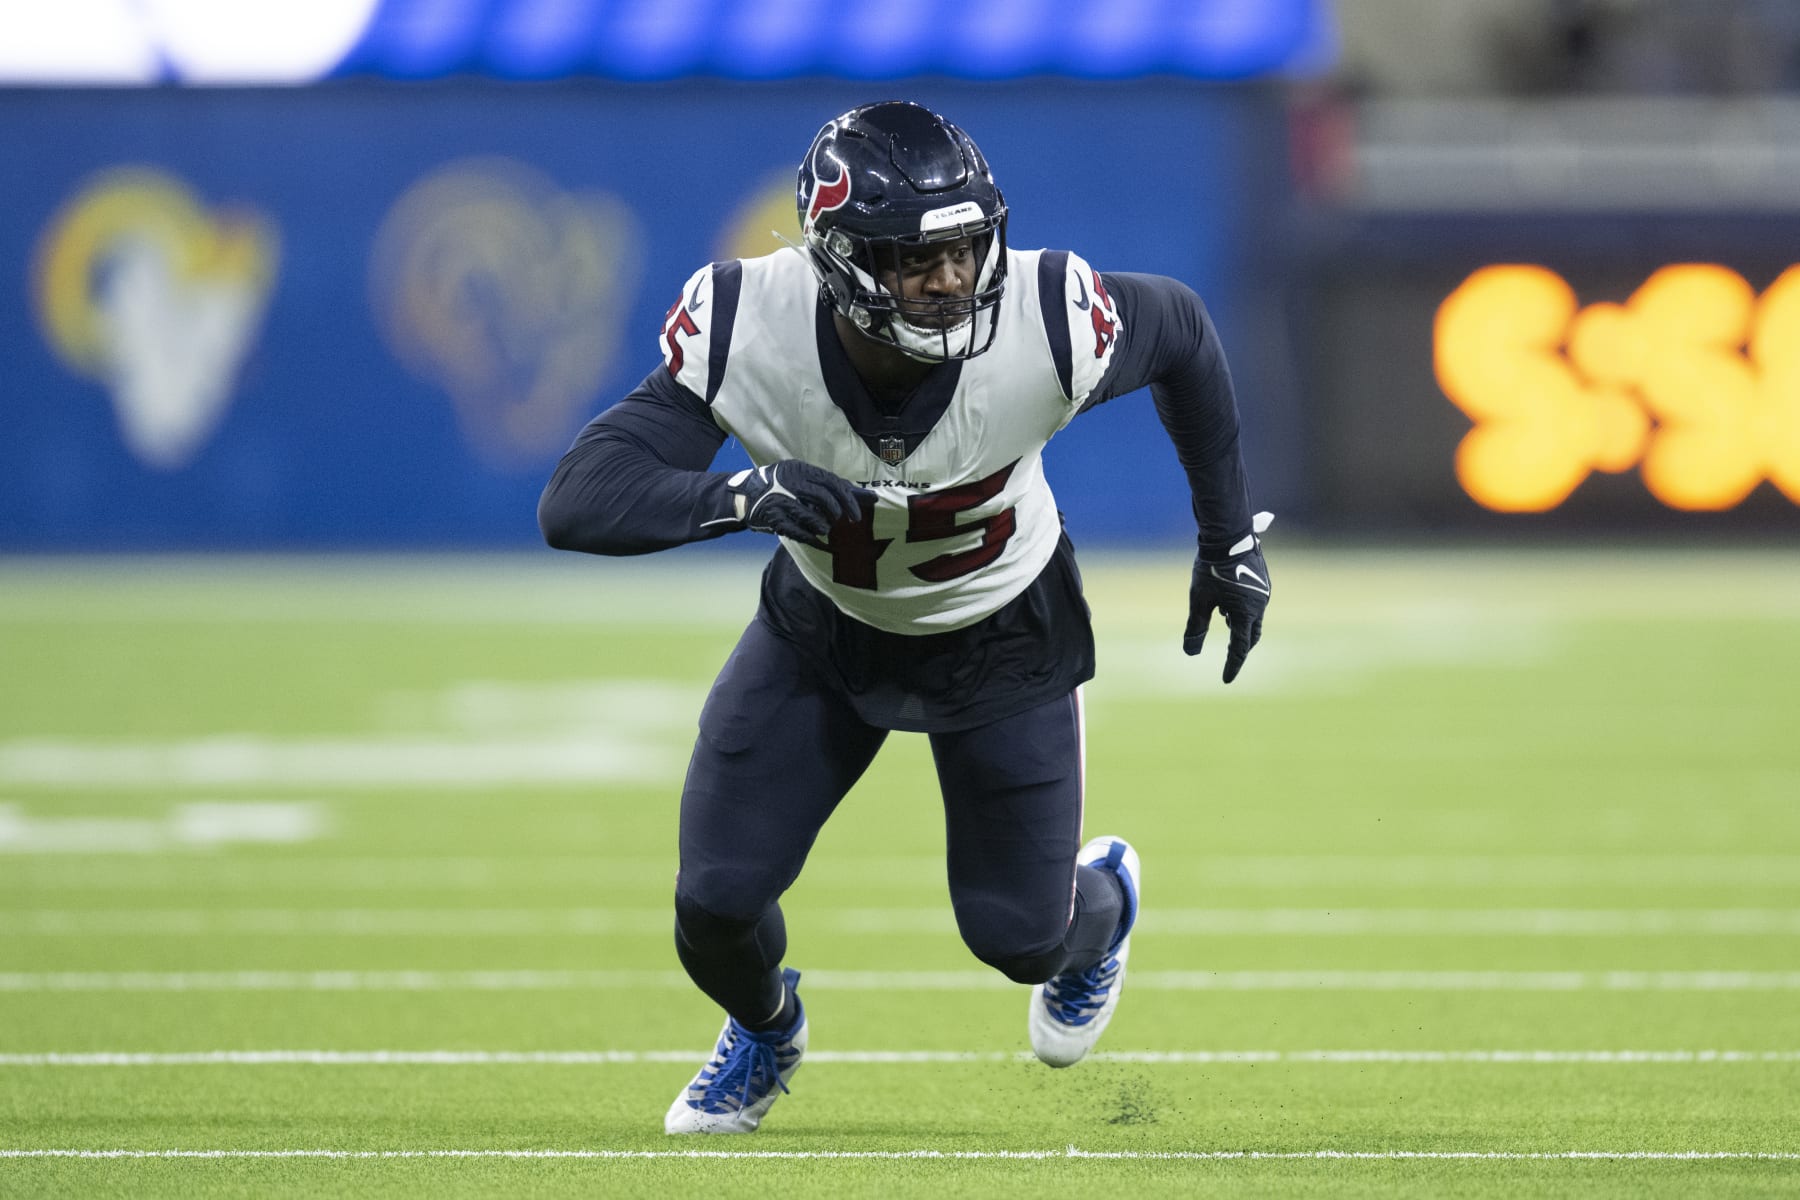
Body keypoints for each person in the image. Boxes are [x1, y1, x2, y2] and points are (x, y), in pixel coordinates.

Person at [538, 100, 1272, 1135]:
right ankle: (767, 1028)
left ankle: (1101, 905)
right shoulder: (754, 324)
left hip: (1003, 629)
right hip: (824, 628)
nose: (950, 279)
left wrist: (1226, 537)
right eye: (911, 259)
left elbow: (1185, 333)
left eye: (968, 248)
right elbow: (578, 498)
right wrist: (735, 498)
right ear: (836, 260)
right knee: (711, 907)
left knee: (1020, 939)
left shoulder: (1047, 318)